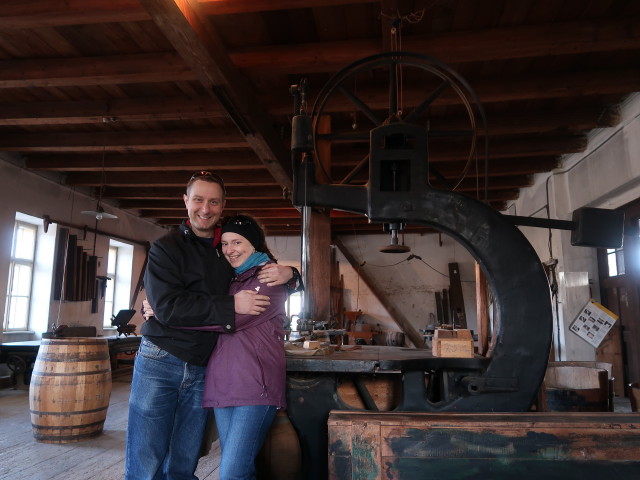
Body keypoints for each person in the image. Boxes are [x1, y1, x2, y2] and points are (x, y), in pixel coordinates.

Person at [125, 171, 299, 480]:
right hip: (161, 359)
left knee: (185, 455)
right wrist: (229, 307)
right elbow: (167, 307)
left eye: (214, 202)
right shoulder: (166, 247)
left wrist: (292, 276)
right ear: (186, 201)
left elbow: (261, 276)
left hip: (205, 366)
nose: (205, 209)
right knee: (145, 456)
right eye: (198, 200)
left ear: (222, 205)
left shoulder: (226, 251)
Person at [193, 214, 288, 480]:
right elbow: (206, 308)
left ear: (254, 244)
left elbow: (232, 318)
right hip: (222, 386)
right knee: (241, 469)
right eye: (224, 244)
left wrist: (171, 315)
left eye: (237, 242)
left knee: (232, 472)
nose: (229, 250)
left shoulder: (269, 277)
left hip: (255, 387)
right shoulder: (230, 279)